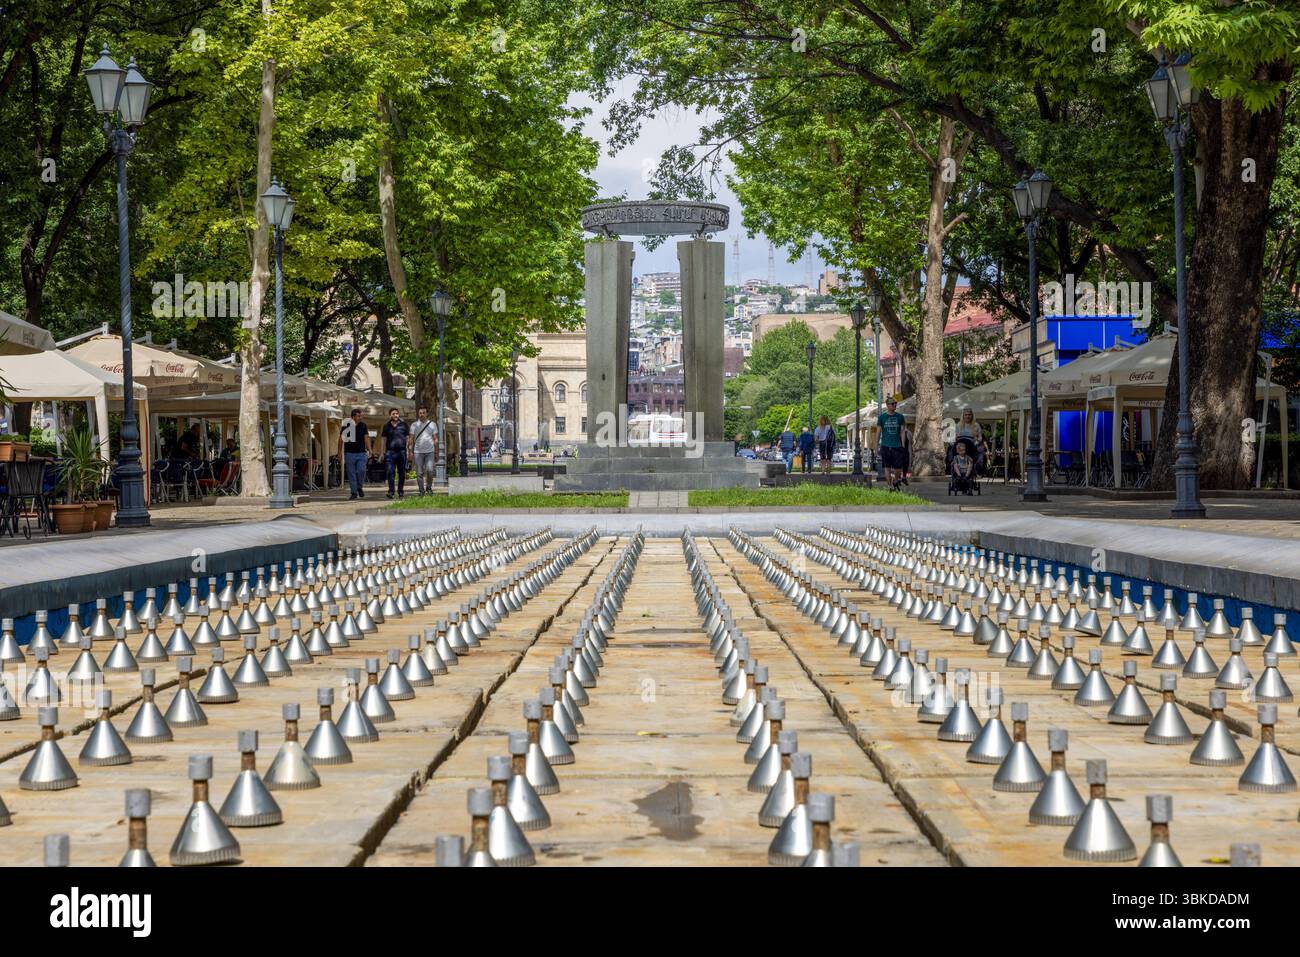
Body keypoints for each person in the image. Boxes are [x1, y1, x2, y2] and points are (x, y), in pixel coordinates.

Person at [339, 407, 371, 500]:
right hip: (349, 453)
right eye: (358, 416)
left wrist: (370, 450)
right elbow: (341, 439)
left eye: (361, 416)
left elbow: (366, 438)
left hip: (361, 453)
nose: (360, 417)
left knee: (361, 471)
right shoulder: (346, 425)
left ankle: (359, 487)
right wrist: (339, 452)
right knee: (351, 473)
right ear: (353, 417)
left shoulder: (363, 425)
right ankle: (354, 492)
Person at [876, 396, 907, 491]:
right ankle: (890, 486)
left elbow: (902, 431)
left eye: (895, 403)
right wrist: (876, 446)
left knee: (898, 468)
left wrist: (903, 445)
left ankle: (895, 481)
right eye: (892, 404)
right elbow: (878, 432)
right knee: (887, 467)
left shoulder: (900, 417)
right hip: (885, 446)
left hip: (897, 446)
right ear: (887, 405)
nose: (894, 405)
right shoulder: (882, 417)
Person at [381, 407, 410, 499]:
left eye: (397, 413)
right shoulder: (386, 426)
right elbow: (383, 439)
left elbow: (408, 438)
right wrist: (382, 453)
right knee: (390, 472)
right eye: (393, 414)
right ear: (390, 415)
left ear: (398, 414)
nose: (395, 415)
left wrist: (408, 450)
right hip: (390, 452)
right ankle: (391, 492)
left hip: (402, 452)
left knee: (402, 473)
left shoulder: (404, 425)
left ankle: (400, 492)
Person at [410, 406, 437, 495]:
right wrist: (410, 451)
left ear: (427, 413)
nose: (422, 415)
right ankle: (421, 491)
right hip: (418, 452)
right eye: (420, 413)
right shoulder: (414, 425)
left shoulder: (432, 424)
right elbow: (411, 439)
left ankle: (428, 487)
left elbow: (435, 438)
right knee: (419, 473)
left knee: (430, 470)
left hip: (430, 451)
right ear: (418, 414)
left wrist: (436, 450)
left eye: (423, 413)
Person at [954, 407, 985, 474]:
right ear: (963, 416)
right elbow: (955, 437)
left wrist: (977, 442)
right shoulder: (958, 425)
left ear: (972, 415)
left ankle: (976, 469)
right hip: (960, 446)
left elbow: (980, 437)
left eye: (969, 415)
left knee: (980, 451)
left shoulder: (976, 425)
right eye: (966, 415)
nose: (967, 416)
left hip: (971, 446)